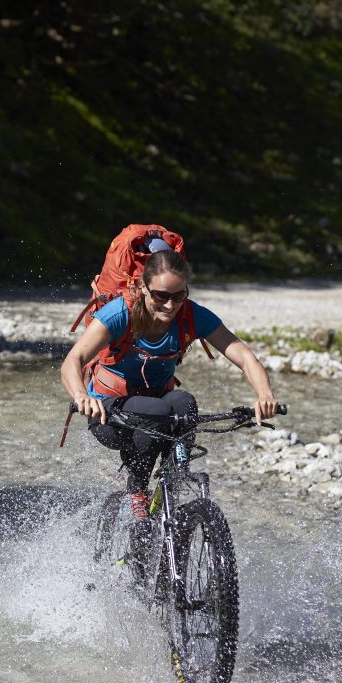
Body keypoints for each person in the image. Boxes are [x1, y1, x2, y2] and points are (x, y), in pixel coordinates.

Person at [59, 240, 278, 573]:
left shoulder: (191, 315)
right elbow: (72, 361)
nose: (170, 305)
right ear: (142, 288)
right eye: (161, 295)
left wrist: (264, 394)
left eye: (179, 296)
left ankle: (171, 486)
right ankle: (137, 493)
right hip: (109, 412)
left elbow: (244, 355)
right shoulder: (120, 313)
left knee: (184, 402)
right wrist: (81, 397)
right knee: (159, 412)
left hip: (155, 406)